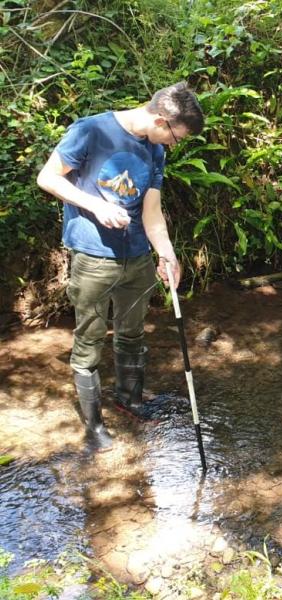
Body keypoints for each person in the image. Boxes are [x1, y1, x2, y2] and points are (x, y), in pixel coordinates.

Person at [37, 82, 204, 452]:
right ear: (161, 119)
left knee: (132, 333)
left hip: (138, 258)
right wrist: (95, 206)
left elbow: (153, 213)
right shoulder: (91, 130)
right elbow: (47, 178)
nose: (173, 145)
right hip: (93, 257)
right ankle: (94, 426)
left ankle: (129, 399)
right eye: (175, 137)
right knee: (90, 340)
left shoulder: (155, 150)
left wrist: (167, 254)